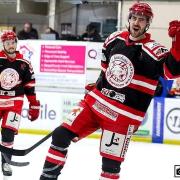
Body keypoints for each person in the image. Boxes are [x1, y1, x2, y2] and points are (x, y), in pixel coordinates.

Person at [40, 2, 180, 180]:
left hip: (123, 115)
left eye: (142, 20)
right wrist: (98, 84)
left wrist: (178, 42)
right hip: (96, 102)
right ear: (129, 19)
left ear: (148, 24)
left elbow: (172, 72)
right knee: (60, 134)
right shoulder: (115, 39)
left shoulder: (154, 50)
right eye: (134, 18)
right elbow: (106, 68)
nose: (137, 23)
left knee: (110, 166)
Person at [0, 31, 40, 177]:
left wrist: (34, 104)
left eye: (13, 42)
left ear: (16, 43)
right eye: (8, 42)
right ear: (3, 44)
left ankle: (5, 163)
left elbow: (30, 86)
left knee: (8, 132)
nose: (11, 45)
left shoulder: (24, 63)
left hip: (14, 103)